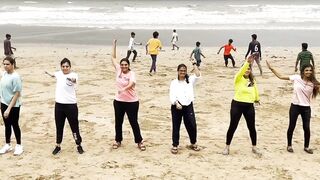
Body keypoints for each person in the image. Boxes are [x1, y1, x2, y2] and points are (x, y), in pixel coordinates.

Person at [266, 60, 319, 154]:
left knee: (306, 128)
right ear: (303, 71)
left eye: (310, 70)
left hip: (306, 108)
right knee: (291, 126)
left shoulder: (314, 83)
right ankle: (289, 145)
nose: (308, 72)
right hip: (295, 106)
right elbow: (281, 77)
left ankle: (306, 147)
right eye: (306, 70)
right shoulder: (296, 78)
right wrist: (272, 68)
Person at [223, 53, 261, 155]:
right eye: (246, 69)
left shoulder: (252, 80)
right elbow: (241, 71)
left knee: (251, 127)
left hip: (249, 105)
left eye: (249, 69)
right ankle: (227, 147)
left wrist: (257, 99)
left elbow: (255, 90)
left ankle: (254, 147)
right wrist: (247, 62)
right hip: (237, 105)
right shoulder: (238, 78)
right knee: (233, 125)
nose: (248, 70)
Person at [44, 58, 84, 155]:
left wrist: (70, 80)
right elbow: (53, 75)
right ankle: (58, 145)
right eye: (63, 66)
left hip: (71, 106)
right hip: (59, 105)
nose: (65, 68)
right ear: (61, 67)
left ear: (70, 67)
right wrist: (47, 73)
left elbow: (73, 81)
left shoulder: (74, 75)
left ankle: (78, 144)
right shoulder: (58, 74)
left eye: (67, 66)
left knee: (74, 127)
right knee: (59, 126)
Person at [111, 40, 146, 151]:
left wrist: (124, 89)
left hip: (132, 102)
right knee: (118, 121)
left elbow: (132, 84)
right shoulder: (118, 70)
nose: (123, 66)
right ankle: (118, 140)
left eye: (125, 65)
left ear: (128, 65)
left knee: (133, 122)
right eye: (122, 65)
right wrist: (114, 45)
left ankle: (139, 141)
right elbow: (113, 58)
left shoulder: (132, 74)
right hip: (119, 101)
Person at [169, 59, 201, 154]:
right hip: (176, 107)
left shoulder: (190, 80)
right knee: (176, 126)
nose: (182, 72)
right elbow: (172, 94)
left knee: (191, 125)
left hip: (188, 106)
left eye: (184, 70)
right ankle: (175, 145)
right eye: (181, 71)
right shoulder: (174, 82)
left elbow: (198, 75)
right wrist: (176, 102)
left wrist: (194, 64)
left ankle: (193, 143)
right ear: (178, 72)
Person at [0, 57, 23, 156]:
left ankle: (19, 145)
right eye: (4, 64)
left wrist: (9, 109)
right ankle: (8, 144)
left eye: (7, 64)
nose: (5, 66)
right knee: (7, 125)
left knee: (15, 124)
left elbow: (17, 94)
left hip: (13, 105)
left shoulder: (16, 77)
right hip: (3, 103)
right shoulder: (4, 74)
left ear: (13, 64)